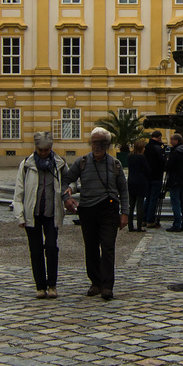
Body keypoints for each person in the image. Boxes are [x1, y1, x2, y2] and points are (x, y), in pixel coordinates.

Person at [61, 127, 129, 299]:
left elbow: (124, 190)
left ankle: (107, 286)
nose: (96, 146)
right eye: (94, 142)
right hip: (88, 210)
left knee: (107, 247)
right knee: (91, 248)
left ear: (106, 145)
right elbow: (66, 180)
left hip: (109, 209)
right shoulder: (81, 162)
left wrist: (125, 213)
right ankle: (95, 282)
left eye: (100, 143)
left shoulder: (115, 164)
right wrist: (66, 196)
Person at [10, 132, 68, 298]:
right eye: (41, 150)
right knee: (35, 250)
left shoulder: (59, 163)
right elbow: (19, 191)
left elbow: (67, 183)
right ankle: (40, 286)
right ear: (36, 148)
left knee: (51, 247)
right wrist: (19, 215)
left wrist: (68, 192)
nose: (44, 152)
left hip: (51, 213)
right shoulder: (27, 164)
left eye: (47, 149)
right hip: (32, 214)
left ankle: (52, 285)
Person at [163, 133, 183, 232]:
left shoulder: (175, 152)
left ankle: (176, 224)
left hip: (175, 181)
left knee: (175, 203)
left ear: (177, 141)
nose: (170, 142)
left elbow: (168, 166)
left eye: (172, 140)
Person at [125, 137, 153, 231]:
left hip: (131, 181)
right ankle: (139, 226)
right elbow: (148, 169)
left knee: (131, 205)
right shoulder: (142, 157)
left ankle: (130, 226)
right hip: (140, 181)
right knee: (140, 204)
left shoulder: (129, 156)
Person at [140, 134, 166, 229]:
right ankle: (150, 221)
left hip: (147, 176)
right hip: (156, 176)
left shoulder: (146, 147)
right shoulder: (158, 148)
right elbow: (162, 161)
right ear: (159, 137)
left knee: (147, 199)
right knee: (154, 199)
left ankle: (144, 219)